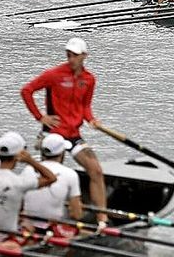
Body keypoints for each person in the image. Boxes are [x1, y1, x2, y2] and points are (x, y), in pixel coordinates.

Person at [20, 38, 108, 224]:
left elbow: (85, 107)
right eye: (68, 55)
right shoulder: (54, 74)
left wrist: (91, 119)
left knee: (96, 171)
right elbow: (27, 91)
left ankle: (102, 217)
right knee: (47, 176)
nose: (71, 58)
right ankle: (35, 214)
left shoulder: (89, 79)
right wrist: (40, 117)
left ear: (84, 56)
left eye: (75, 55)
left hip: (73, 134)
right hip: (53, 134)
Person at [0, 133, 57, 233]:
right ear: (17, 157)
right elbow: (51, 178)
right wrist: (30, 161)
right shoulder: (19, 182)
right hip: (7, 235)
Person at [22, 133, 84, 224]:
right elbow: (76, 214)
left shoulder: (27, 170)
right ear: (62, 153)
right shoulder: (70, 174)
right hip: (53, 228)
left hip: (28, 224)